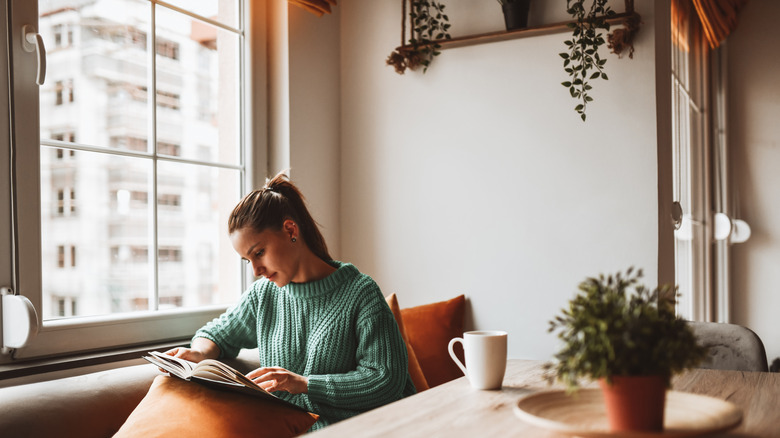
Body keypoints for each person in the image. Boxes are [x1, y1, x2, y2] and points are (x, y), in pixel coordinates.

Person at [166, 171, 415, 431]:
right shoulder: (263, 295)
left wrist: (304, 384)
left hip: (373, 429)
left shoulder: (360, 293)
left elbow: (385, 381)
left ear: (290, 230)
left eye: (259, 253)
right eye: (247, 261)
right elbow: (216, 333)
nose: (256, 270)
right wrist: (200, 352)